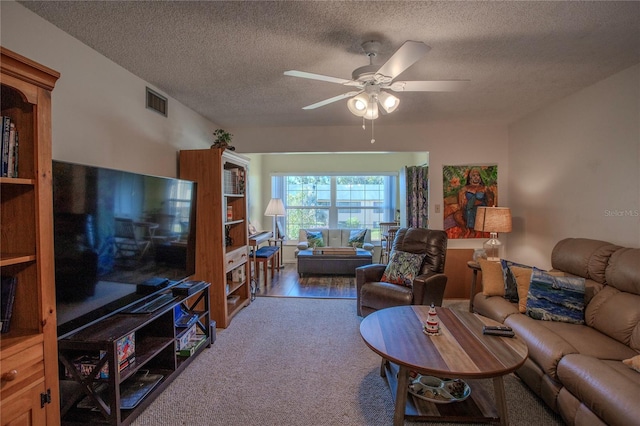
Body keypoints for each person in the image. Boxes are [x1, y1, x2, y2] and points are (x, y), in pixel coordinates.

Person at [453, 168, 495, 237]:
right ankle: (470, 230)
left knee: (473, 210)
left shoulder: (484, 188)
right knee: (468, 211)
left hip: (481, 208)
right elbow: (461, 202)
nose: (476, 177)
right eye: (473, 175)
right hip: (468, 208)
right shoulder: (465, 189)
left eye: (477, 175)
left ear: (480, 177)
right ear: (470, 177)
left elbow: (490, 200)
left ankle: (475, 231)